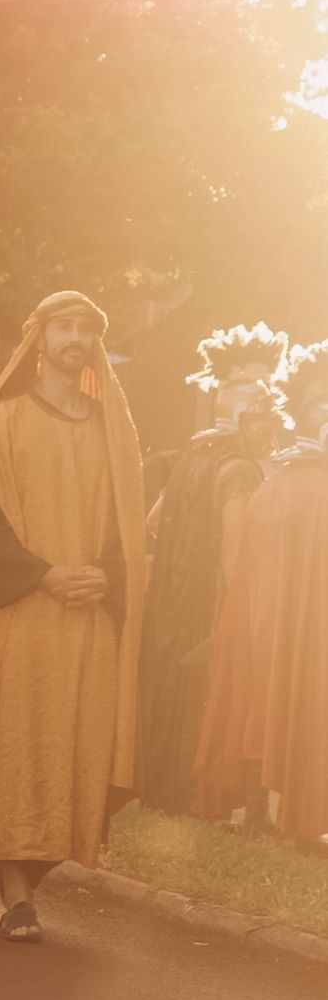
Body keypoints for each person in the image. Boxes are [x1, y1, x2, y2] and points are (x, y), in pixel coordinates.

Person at [0, 291, 145, 944]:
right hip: (20, 619)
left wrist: (108, 573)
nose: (74, 337)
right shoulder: (0, 424)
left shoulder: (113, 430)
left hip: (91, 619)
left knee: (79, 749)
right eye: (63, 326)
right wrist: (42, 574)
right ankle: (17, 895)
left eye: (85, 329)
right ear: (38, 339)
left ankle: (29, 882)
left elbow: (131, 525)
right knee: (16, 748)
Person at [138, 324, 284, 814]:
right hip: (211, 604)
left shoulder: (193, 454)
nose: (266, 394)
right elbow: (236, 551)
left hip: (175, 606)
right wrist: (232, 609)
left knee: (177, 696)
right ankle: (202, 799)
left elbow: (153, 524)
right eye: (255, 384)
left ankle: (169, 792)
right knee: (207, 699)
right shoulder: (238, 464)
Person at [195, 342, 328, 843]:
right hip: (279, 610)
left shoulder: (289, 475)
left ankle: (273, 808)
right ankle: (270, 808)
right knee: (275, 692)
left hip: (290, 605)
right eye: (318, 400)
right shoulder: (290, 478)